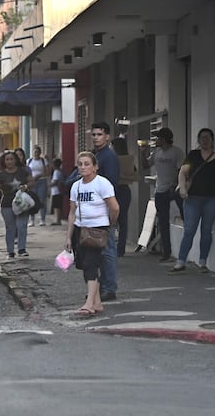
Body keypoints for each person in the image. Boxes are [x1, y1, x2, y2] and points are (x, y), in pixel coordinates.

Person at [65, 151, 120, 317]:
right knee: (83, 265)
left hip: (97, 230)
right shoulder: (76, 186)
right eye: (80, 164)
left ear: (95, 167)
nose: (83, 167)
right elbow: (72, 212)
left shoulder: (102, 184)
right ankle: (97, 302)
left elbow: (115, 207)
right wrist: (68, 236)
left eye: (87, 164)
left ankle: (89, 304)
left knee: (91, 264)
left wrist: (108, 225)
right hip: (81, 230)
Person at [173, 128, 215, 274]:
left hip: (213, 198)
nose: (205, 140)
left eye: (207, 138)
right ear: (198, 140)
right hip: (193, 198)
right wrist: (183, 188)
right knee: (189, 229)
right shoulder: (193, 155)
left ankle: (203, 262)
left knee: (206, 230)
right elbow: (183, 172)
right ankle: (180, 261)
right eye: (202, 137)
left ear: (212, 140)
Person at [139, 127, 184, 262]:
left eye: (158, 138)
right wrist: (142, 153)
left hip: (174, 189)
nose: (156, 140)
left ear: (164, 139)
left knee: (185, 215)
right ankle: (166, 252)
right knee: (163, 222)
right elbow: (146, 165)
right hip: (160, 190)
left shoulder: (176, 152)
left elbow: (180, 169)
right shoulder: (157, 152)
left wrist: (175, 185)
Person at [90, 121, 120, 301]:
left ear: (107, 136)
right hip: (93, 210)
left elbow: (111, 185)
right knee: (97, 251)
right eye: (93, 134)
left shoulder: (108, 156)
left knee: (107, 250)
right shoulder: (95, 155)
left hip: (104, 209)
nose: (96, 138)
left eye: (99, 134)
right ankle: (101, 288)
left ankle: (109, 288)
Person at [0, 151, 35, 258]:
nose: (9, 161)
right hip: (7, 204)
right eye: (7, 159)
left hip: (22, 204)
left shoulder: (22, 171)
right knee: (10, 228)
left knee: (22, 226)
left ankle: (21, 249)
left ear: (15, 160)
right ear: (4, 162)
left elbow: (32, 182)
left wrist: (26, 186)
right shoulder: (1, 174)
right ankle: (10, 251)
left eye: (11, 159)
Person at [112, 137, 136, 257]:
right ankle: (120, 249)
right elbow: (134, 173)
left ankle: (113, 247)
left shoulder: (112, 159)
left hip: (115, 190)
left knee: (112, 220)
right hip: (124, 190)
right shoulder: (128, 160)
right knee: (123, 221)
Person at [27, 145, 49, 226]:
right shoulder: (29, 161)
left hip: (41, 181)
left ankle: (42, 219)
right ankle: (32, 220)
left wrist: (39, 175)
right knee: (32, 200)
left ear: (40, 153)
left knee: (41, 200)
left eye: (37, 152)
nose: (36, 153)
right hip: (32, 182)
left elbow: (48, 172)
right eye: (34, 152)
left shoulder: (43, 161)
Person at [49, 157, 66, 226]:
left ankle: (58, 220)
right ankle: (58, 219)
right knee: (58, 206)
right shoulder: (61, 172)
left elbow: (55, 181)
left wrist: (49, 185)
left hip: (56, 191)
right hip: (59, 191)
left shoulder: (56, 172)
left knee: (57, 207)